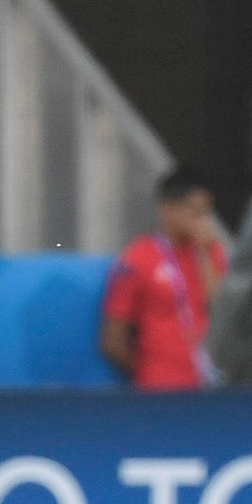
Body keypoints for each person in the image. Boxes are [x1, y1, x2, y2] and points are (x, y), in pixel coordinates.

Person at [101, 167, 229, 391]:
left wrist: (207, 254)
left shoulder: (211, 252)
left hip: (209, 385)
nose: (203, 221)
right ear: (168, 209)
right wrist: (148, 372)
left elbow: (220, 310)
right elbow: (114, 338)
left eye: (206, 212)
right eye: (195, 212)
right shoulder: (137, 258)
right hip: (160, 388)